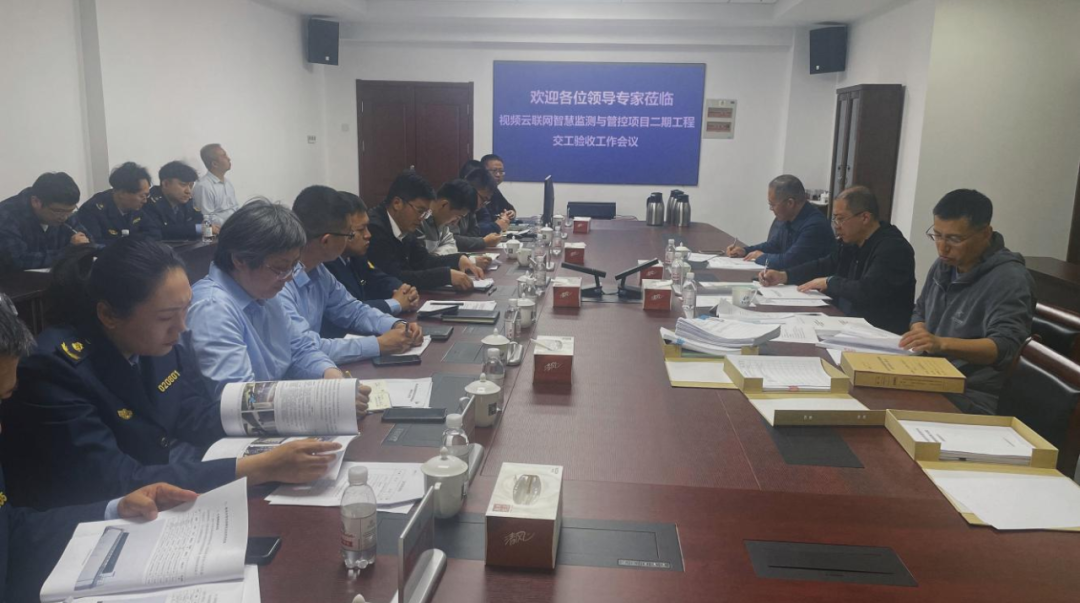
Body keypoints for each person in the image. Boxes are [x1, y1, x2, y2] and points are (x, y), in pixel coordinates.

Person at [0, 238, 344, 511]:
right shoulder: (54, 368)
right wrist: (258, 468)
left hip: (163, 484)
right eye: (166, 317)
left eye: (185, 310)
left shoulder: (158, 342)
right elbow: (116, 478)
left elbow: (195, 414)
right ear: (108, 314)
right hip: (93, 517)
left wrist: (305, 411)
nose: (181, 328)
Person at [186, 200, 365, 400]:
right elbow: (241, 398)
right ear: (240, 259)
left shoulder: (263, 291)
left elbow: (300, 349)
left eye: (294, 266)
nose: (289, 278)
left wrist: (331, 377)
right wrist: (322, 397)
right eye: (280, 268)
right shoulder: (212, 309)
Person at [899, 189, 1035, 415]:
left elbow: (1005, 347)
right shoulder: (944, 264)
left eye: (954, 239)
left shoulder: (1009, 279)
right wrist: (920, 332)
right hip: (930, 374)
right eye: (937, 235)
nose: (942, 247)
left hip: (971, 392)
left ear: (985, 233)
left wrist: (941, 343)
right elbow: (920, 311)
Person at [280, 185, 422, 364]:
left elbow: (353, 311)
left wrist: (396, 324)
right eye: (349, 233)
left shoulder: (319, 271)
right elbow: (305, 349)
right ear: (326, 241)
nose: (352, 238)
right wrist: (379, 345)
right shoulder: (279, 283)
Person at [758, 186, 915, 334]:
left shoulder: (893, 249)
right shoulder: (852, 241)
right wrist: (784, 276)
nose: (837, 226)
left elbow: (867, 291)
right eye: (834, 219)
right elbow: (825, 265)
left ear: (865, 217)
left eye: (841, 219)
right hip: (849, 323)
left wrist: (829, 282)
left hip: (880, 332)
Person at [365, 170, 483, 291]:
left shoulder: (404, 225)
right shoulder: (374, 229)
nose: (422, 218)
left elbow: (423, 261)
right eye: (420, 211)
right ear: (397, 203)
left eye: (426, 213)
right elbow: (395, 277)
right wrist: (446, 276)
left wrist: (457, 259)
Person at [323, 193, 419, 321]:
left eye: (367, 227)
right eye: (361, 229)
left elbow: (379, 279)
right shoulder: (326, 264)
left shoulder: (355, 256)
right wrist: (395, 303)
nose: (368, 235)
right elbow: (348, 308)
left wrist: (404, 291)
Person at [726, 174, 833, 269]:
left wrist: (761, 257)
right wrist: (745, 251)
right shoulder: (789, 218)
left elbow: (789, 261)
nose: (771, 209)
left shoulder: (815, 226)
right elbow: (774, 246)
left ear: (790, 203)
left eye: (773, 204)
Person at [0, 171, 90, 271]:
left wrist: (85, 246)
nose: (64, 217)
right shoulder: (7, 215)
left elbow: (89, 243)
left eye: (70, 211)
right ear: (36, 202)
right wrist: (69, 252)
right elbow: (17, 260)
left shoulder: (65, 213)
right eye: (58, 211)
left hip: (53, 277)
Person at [418, 179, 494, 271]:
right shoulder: (419, 221)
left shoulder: (442, 224)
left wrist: (434, 257)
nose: (455, 222)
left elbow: (452, 246)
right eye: (458, 216)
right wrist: (434, 259)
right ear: (444, 205)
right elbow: (421, 263)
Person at [76, 161, 152, 244]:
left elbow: (153, 233)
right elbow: (95, 244)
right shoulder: (92, 211)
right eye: (142, 196)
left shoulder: (137, 206)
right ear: (122, 193)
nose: (145, 200)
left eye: (147, 195)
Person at [143, 160, 217, 240]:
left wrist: (194, 228)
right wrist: (197, 228)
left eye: (191, 185)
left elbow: (200, 220)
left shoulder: (186, 201)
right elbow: (162, 231)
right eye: (183, 184)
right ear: (166, 184)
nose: (188, 191)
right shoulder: (149, 202)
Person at [452, 168, 503, 252]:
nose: (483, 205)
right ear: (472, 190)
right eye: (483, 199)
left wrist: (467, 240)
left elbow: (475, 232)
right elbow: (453, 240)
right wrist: (484, 242)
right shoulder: (454, 205)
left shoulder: (471, 209)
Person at [192, 143, 238, 226]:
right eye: (224, 156)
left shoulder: (227, 183)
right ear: (215, 164)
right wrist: (232, 223)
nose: (229, 159)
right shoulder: (204, 186)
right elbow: (206, 218)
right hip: (220, 230)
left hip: (234, 226)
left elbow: (235, 208)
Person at [480, 153, 517, 218]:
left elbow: (509, 208)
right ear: (483, 171)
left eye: (501, 171)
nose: (498, 175)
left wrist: (511, 213)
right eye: (494, 171)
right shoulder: (479, 190)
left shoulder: (494, 190)